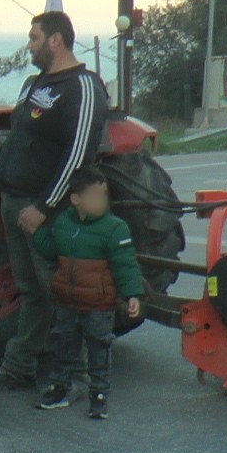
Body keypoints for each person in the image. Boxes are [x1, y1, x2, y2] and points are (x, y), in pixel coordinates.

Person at [0, 10, 107, 395]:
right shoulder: (35, 83)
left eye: (34, 38)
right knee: (32, 291)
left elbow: (79, 156)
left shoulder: (82, 86)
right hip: (15, 200)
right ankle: (20, 366)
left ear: (56, 40)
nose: (29, 45)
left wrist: (45, 207)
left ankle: (76, 374)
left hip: (47, 208)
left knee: (60, 290)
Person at [30, 167, 145, 420]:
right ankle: (59, 389)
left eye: (103, 195)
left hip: (99, 306)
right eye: (94, 196)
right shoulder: (63, 223)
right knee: (63, 346)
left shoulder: (115, 228)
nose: (100, 201)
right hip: (67, 303)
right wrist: (36, 232)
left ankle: (99, 396)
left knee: (99, 349)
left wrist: (132, 295)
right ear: (75, 200)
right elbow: (51, 251)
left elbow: (126, 265)